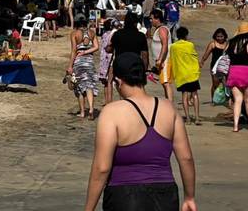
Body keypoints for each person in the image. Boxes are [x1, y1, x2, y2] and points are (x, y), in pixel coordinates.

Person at [84, 53, 196, 211]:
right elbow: (186, 158)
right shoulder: (168, 108)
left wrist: (89, 208)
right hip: (165, 195)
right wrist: (189, 197)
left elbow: (102, 168)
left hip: (125, 196)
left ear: (118, 81)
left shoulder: (111, 112)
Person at [67, 17, 100, 120]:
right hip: (89, 61)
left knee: (79, 87)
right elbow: (96, 47)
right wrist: (86, 52)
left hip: (78, 61)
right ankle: (90, 108)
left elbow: (73, 51)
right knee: (89, 85)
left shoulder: (74, 33)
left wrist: (70, 66)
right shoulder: (91, 33)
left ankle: (82, 112)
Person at [170, 27, 201, 125]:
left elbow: (172, 60)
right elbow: (194, 57)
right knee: (195, 95)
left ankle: (187, 118)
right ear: (186, 35)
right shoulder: (190, 45)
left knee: (184, 96)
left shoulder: (173, 46)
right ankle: (196, 118)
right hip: (191, 73)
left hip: (181, 74)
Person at [149, 10, 173, 101]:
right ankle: (168, 103)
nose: (150, 21)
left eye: (151, 19)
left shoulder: (162, 29)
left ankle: (170, 106)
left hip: (165, 60)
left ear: (157, 18)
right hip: (161, 61)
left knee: (166, 83)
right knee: (164, 83)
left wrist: (160, 59)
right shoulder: (158, 29)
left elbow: (165, 45)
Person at [199, 28, 228, 101]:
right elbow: (206, 54)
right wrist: (202, 61)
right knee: (215, 84)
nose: (220, 38)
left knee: (226, 83)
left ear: (224, 36)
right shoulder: (213, 44)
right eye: (218, 36)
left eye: (221, 36)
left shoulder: (228, 44)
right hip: (214, 67)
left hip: (225, 66)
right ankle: (213, 99)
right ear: (215, 36)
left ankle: (226, 100)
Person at [98, 19, 119, 104]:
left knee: (106, 82)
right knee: (111, 80)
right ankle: (109, 101)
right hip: (110, 58)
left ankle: (107, 100)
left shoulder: (104, 34)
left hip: (104, 59)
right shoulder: (114, 34)